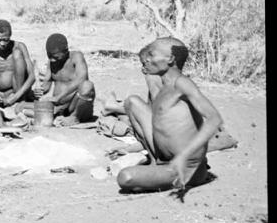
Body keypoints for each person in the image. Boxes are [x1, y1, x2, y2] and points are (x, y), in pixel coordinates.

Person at [117, 37, 223, 192]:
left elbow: (215, 119)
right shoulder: (164, 86)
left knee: (126, 177)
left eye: (151, 55)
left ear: (171, 59)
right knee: (132, 102)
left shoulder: (182, 83)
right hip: (164, 158)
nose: (146, 59)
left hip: (186, 166)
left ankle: (184, 176)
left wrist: (184, 156)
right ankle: (155, 163)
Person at [27, 33, 95, 126]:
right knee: (20, 107)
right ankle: (59, 115)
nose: (52, 60)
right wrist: (38, 91)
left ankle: (75, 117)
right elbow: (46, 84)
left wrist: (58, 97)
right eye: (49, 55)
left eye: (55, 57)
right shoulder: (52, 62)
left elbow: (82, 79)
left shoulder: (76, 57)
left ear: (66, 51)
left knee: (87, 86)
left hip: (76, 106)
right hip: (59, 108)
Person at [0, 19, 36, 125]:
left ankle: (19, 102)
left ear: (10, 35)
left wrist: (15, 97)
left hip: (16, 93)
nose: (2, 43)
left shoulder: (20, 47)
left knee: (17, 54)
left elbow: (32, 77)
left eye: (6, 39)